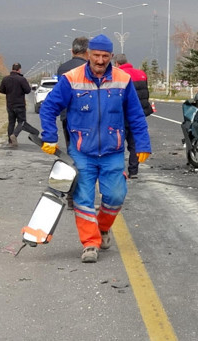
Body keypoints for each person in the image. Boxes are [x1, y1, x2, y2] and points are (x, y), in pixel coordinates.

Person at [39, 34, 151, 263]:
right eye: (96, 55)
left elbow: (136, 115)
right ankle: (90, 244)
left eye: (105, 56)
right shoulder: (71, 79)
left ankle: (102, 228)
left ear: (111, 56)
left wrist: (142, 143)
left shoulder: (122, 79)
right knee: (83, 199)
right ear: (88, 55)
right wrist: (49, 137)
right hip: (82, 152)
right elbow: (48, 108)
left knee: (116, 196)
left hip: (113, 151)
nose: (100, 60)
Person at [56, 36, 89, 209]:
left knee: (72, 154)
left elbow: (59, 95)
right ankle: (84, 195)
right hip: (88, 119)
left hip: (67, 117)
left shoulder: (63, 68)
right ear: (87, 52)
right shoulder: (90, 68)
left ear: (72, 51)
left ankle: (71, 197)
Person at [114, 54, 153, 178]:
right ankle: (133, 171)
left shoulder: (119, 75)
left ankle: (119, 170)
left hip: (122, 115)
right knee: (134, 144)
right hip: (139, 113)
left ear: (117, 64)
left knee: (117, 143)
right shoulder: (141, 73)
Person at [0, 63, 39, 147]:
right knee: (22, 122)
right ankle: (14, 135)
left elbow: (1, 90)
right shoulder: (21, 79)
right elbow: (28, 90)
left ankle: (10, 141)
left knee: (11, 122)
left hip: (9, 104)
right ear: (19, 69)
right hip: (20, 104)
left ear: (12, 69)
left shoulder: (6, 79)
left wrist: (9, 92)